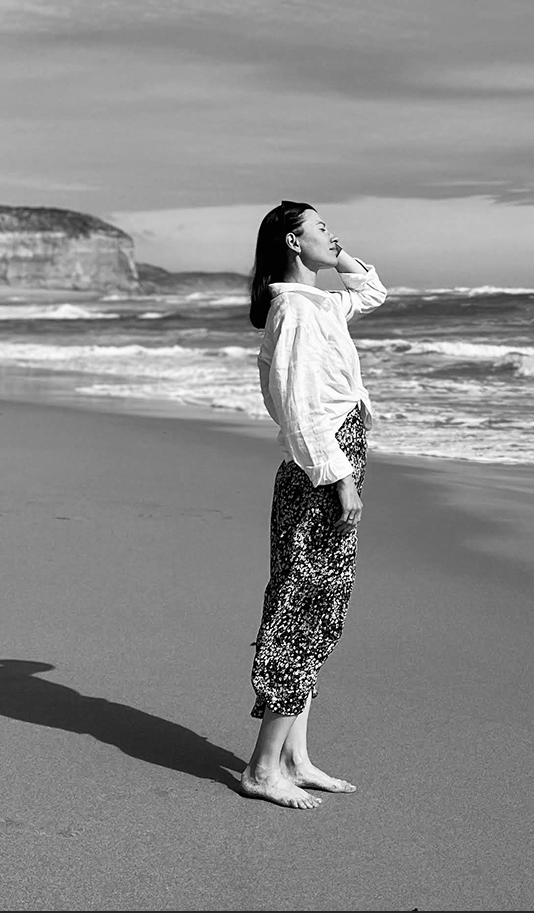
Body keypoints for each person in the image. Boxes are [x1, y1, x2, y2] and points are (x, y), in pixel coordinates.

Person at [240, 200, 388, 809]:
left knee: (320, 610)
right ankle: (261, 768)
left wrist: (335, 255)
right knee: (302, 612)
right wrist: (340, 478)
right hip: (321, 471)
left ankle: (295, 759)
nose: (334, 235)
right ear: (293, 244)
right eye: (321, 228)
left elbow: (372, 291)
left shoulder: (317, 303)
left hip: (329, 463)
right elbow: (300, 409)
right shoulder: (296, 312)